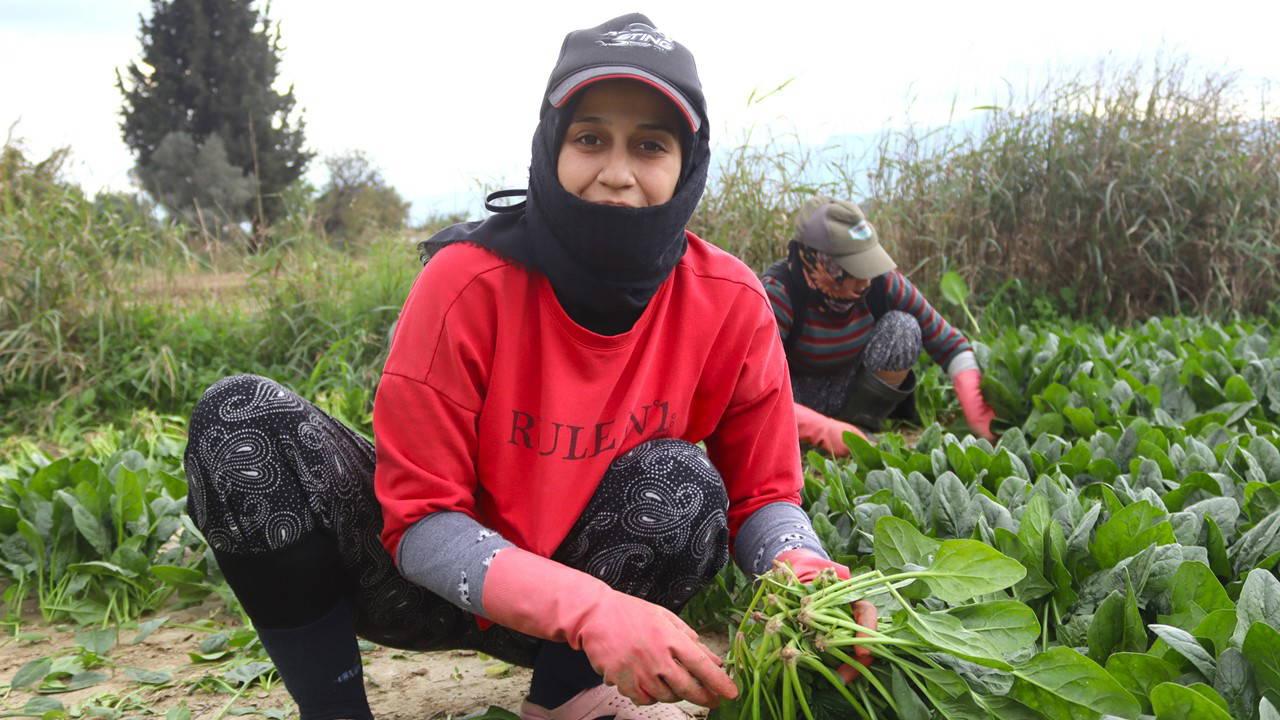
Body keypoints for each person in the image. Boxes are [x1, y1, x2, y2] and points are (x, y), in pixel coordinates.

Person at [183, 14, 873, 720]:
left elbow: (765, 496)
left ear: (687, 165)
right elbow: (421, 522)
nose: (615, 172)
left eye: (650, 146)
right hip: (429, 584)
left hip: (591, 596)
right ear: (552, 145)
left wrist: (805, 573)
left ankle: (565, 701)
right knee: (240, 421)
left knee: (681, 482)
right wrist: (591, 609)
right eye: (590, 138)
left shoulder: (728, 302)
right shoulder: (464, 283)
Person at [761, 197, 997, 455]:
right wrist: (821, 429)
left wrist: (977, 407)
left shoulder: (882, 283)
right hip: (795, 399)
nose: (865, 282)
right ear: (815, 260)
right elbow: (756, 386)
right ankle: (810, 441)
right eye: (853, 270)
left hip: (849, 387)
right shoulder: (778, 294)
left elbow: (948, 344)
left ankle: (860, 428)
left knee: (903, 328)